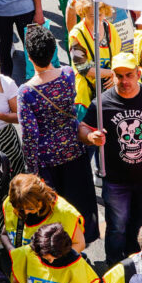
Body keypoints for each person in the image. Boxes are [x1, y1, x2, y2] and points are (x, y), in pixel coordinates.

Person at [18, 26, 99, 243]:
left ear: (29, 55)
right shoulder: (68, 75)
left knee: (55, 212)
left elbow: (29, 136)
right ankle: (82, 241)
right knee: (79, 203)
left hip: (47, 162)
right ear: (54, 51)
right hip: (74, 150)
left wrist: (32, 170)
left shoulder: (26, 92)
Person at [80, 52, 142, 261]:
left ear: (138, 74)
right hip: (115, 180)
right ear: (113, 77)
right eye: (119, 76)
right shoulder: (102, 103)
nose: (124, 80)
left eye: (129, 75)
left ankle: (137, 262)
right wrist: (90, 136)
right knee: (117, 227)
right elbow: (82, 128)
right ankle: (115, 267)